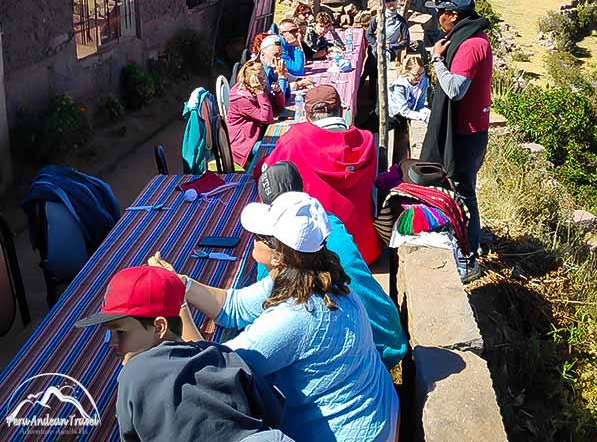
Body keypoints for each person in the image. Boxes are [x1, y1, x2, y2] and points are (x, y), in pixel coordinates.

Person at [149, 193, 399, 442]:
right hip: (379, 417)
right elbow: (234, 307)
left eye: (259, 237)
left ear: (279, 254)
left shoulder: (296, 317)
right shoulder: (312, 274)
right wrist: (183, 284)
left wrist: (177, 303)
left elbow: (210, 372)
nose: (252, 240)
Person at [74, 265, 291, 441]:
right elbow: (275, 413)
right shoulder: (223, 355)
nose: (111, 342)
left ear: (159, 327)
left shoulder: (133, 375)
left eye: (120, 332)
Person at [254, 162, 407, 369]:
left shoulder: (276, 251)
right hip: (389, 336)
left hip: (364, 357)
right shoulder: (328, 222)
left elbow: (260, 310)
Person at [260, 84, 382, 264]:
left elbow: (269, 176)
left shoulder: (294, 140)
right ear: (341, 111)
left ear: (307, 115)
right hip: (362, 250)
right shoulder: (366, 141)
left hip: (316, 254)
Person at [419, 0, 493, 279]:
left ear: (453, 14)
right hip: (469, 129)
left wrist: (436, 60)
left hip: (467, 133)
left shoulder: (470, 45)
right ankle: (466, 245)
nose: (438, 19)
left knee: (463, 193)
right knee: (462, 190)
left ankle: (468, 258)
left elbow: (455, 89)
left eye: (440, 13)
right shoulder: (467, 37)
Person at [226, 61, 281, 169]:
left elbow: (278, 108)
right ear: (250, 80)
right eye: (259, 78)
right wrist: (260, 93)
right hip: (244, 143)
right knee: (275, 148)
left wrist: (278, 92)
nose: (264, 80)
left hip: (256, 134)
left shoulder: (256, 88)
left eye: (264, 75)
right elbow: (266, 118)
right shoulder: (242, 98)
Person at [364, 0, 410, 96]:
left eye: (393, 0)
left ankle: (380, 99)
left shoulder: (401, 21)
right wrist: (375, 45)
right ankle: (370, 97)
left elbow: (406, 41)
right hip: (376, 48)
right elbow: (368, 34)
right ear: (384, 4)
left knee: (382, 74)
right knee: (370, 70)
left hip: (390, 51)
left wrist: (392, 46)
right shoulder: (377, 18)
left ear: (396, 2)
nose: (391, 3)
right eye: (388, 1)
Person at [388, 55, 430, 124]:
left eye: (422, 73)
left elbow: (420, 104)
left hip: (410, 110)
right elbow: (404, 111)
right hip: (395, 115)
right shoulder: (400, 86)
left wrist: (425, 112)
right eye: (416, 74)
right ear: (408, 72)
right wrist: (420, 116)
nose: (419, 77)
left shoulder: (424, 81)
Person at [258, 35, 290, 104]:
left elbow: (287, 96)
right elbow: (277, 103)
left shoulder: (272, 67)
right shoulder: (257, 71)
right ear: (263, 55)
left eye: (280, 55)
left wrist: (285, 77)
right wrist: (281, 77)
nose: (279, 58)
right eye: (275, 55)